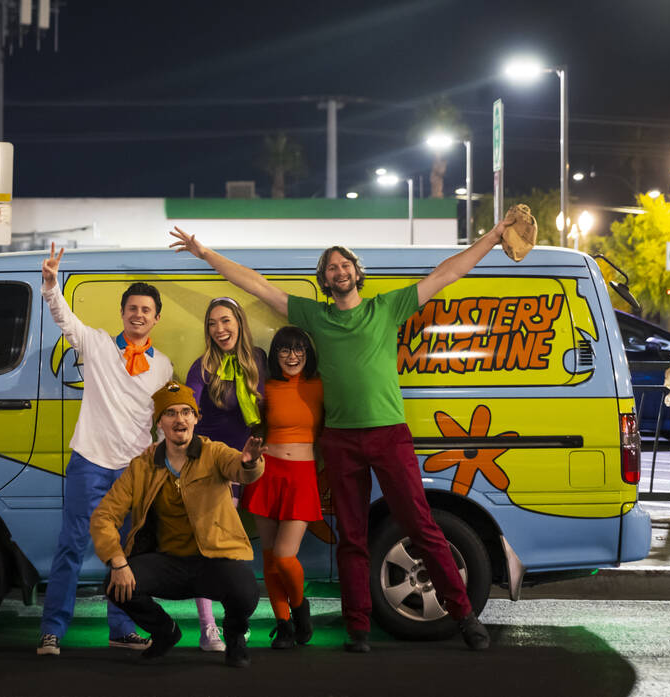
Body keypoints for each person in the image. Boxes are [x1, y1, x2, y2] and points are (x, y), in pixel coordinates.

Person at [168, 212, 519, 653]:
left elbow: (448, 273)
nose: (338, 271)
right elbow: (256, 285)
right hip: (339, 438)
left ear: (356, 272)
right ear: (325, 279)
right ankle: (358, 629)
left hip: (389, 433)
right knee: (352, 535)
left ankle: (464, 615)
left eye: (344, 264)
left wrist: (492, 235)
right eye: (330, 267)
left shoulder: (387, 306)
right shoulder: (314, 316)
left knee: (421, 525)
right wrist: (204, 253)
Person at [36, 243, 174, 657]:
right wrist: (49, 285)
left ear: (156, 318)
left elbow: (165, 421)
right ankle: (52, 630)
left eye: (146, 310)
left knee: (128, 553)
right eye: (132, 308)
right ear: (123, 312)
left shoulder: (164, 365)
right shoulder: (95, 344)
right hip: (90, 463)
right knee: (71, 546)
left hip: (135, 471)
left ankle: (123, 628)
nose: (138, 314)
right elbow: (64, 317)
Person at [91, 381, 265, 668]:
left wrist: (249, 462)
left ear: (196, 418)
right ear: (160, 422)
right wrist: (118, 560)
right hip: (168, 564)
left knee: (246, 590)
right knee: (114, 583)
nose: (179, 419)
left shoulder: (214, 452)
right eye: (170, 413)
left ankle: (235, 639)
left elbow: (241, 468)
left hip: (211, 562)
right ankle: (165, 632)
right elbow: (104, 516)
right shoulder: (143, 465)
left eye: (186, 412)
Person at [184, 296, 267, 652]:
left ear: (239, 322)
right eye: (213, 324)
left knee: (246, 548)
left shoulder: (258, 360)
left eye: (225, 321)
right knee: (214, 548)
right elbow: (187, 411)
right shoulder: (202, 367)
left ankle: (238, 619)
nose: (220, 329)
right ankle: (210, 628)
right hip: (217, 466)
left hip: (257, 464)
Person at [239, 325, 323, 649]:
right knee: (271, 559)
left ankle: (301, 610)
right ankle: (284, 624)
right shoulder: (267, 387)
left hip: (302, 476)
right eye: (284, 350)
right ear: (275, 355)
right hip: (266, 474)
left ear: (308, 353)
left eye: (299, 349)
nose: (292, 356)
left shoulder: (318, 386)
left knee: (287, 557)